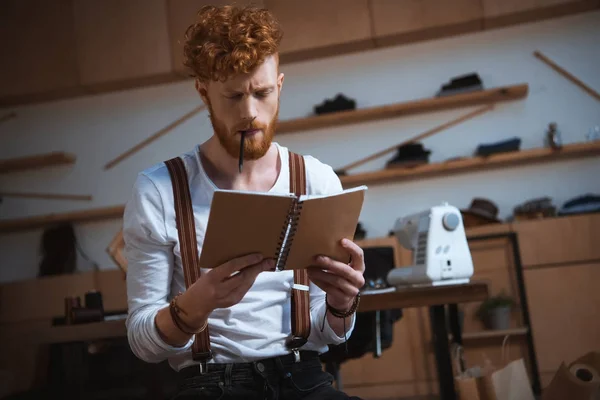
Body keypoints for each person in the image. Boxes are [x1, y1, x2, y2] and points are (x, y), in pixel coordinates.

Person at [123, 4, 365, 399]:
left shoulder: (317, 180)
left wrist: (342, 305)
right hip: (209, 383)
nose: (250, 113)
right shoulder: (158, 189)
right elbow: (142, 341)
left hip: (302, 377)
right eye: (233, 96)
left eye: (262, 92)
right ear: (203, 92)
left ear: (280, 85)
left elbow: (329, 333)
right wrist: (194, 307)